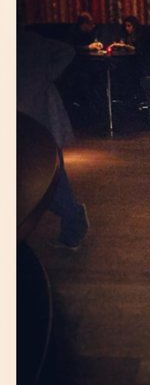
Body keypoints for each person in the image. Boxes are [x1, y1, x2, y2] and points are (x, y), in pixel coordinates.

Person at [17, 29, 90, 250]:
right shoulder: (31, 39)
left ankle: (73, 221)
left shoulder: (27, 40)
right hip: (35, 116)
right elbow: (66, 52)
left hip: (33, 119)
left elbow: (67, 51)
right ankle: (72, 222)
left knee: (48, 177)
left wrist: (48, 75)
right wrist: (48, 75)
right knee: (46, 176)